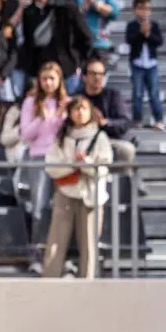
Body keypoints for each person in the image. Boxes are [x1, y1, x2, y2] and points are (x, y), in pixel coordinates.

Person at [41, 97, 113, 279]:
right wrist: (72, 165)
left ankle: (88, 283)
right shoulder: (62, 137)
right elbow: (51, 166)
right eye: (76, 109)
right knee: (56, 241)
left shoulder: (100, 137)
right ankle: (49, 280)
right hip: (66, 192)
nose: (80, 113)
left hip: (91, 197)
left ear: (90, 112)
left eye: (83, 109)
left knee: (89, 243)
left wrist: (85, 163)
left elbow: (104, 168)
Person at [16, 0, 92, 89]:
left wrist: (79, 65)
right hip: (40, 74)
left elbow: (86, 38)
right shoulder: (29, 12)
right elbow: (28, 44)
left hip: (68, 73)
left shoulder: (67, 8)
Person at [125, 0, 165, 129]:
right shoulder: (131, 25)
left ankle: (158, 119)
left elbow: (159, 42)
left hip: (151, 64)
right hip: (137, 64)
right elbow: (130, 41)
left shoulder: (154, 25)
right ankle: (137, 119)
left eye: (147, 9)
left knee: (154, 92)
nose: (144, 12)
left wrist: (148, 34)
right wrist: (141, 33)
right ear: (135, 10)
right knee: (137, 93)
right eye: (141, 8)